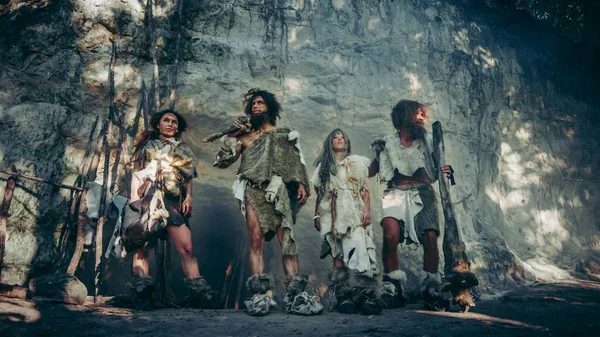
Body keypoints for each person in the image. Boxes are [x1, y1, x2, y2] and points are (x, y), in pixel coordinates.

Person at [215, 89, 322, 316]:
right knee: (256, 240)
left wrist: (301, 183)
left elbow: (295, 163)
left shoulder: (283, 134)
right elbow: (224, 162)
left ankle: (296, 294)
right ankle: (259, 296)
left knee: (287, 240)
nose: (256, 106)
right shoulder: (245, 138)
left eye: (261, 102)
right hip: (254, 190)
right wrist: (231, 137)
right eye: (253, 103)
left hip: (281, 191)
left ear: (270, 109)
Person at [124, 109, 214, 310]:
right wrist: (134, 201)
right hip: (147, 198)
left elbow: (188, 177)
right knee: (143, 245)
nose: (171, 124)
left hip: (173, 200)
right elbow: (137, 173)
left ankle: (198, 295)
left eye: (174, 122)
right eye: (167, 120)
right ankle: (142, 293)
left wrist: (189, 197)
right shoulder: (147, 148)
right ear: (158, 124)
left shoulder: (183, 150)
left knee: (187, 248)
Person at [369, 100, 453, 311]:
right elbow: (370, 170)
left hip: (423, 192)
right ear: (406, 116)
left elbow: (440, 169)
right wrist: (347, 172)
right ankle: (393, 289)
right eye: (419, 114)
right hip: (395, 193)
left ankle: (431, 290)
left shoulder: (429, 142)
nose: (423, 118)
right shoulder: (386, 143)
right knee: (390, 237)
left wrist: (448, 171)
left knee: (430, 237)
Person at [311, 129, 380, 315]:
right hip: (331, 214)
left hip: (352, 210)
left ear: (347, 142)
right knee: (337, 253)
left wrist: (366, 210)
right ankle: (343, 297)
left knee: (360, 249)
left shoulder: (356, 162)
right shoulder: (323, 167)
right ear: (330, 142)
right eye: (335, 137)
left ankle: (365, 295)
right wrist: (316, 214)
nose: (339, 139)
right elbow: (320, 193)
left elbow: (364, 189)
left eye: (342, 137)